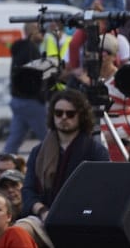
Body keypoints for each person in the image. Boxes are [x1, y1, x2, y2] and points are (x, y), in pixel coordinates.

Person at [17, 89, 109, 246]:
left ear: (81, 116)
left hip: (79, 220)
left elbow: (102, 191)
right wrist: (42, 211)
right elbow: (28, 190)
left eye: (70, 114)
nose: (64, 117)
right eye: (58, 113)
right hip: (42, 217)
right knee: (18, 231)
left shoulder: (95, 151)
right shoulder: (39, 151)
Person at [72, 33, 130, 161]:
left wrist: (118, 134)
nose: (98, 57)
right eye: (93, 52)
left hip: (120, 147)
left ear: (113, 56)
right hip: (93, 146)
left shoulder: (123, 81)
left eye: (104, 52)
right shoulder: (88, 80)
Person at [2, 24, 47, 156]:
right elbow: (36, 75)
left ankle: (5, 161)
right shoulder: (31, 50)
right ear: (33, 32)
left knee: (15, 138)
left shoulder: (20, 49)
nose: (43, 35)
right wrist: (41, 95)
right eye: (40, 31)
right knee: (49, 138)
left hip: (18, 99)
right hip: (31, 101)